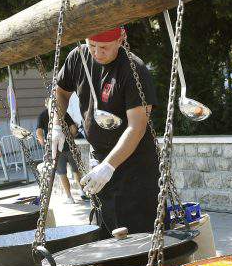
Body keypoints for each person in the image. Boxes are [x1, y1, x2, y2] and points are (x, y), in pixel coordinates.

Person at [53, 27, 159, 235]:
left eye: (104, 47)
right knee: (106, 227)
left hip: (135, 164)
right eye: (92, 45)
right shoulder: (78, 57)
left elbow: (136, 126)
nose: (97, 52)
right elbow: (60, 92)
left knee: (140, 233)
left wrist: (109, 167)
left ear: (121, 40)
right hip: (98, 157)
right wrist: (56, 124)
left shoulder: (134, 69)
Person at [36, 97, 86, 204]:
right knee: (76, 170)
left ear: (46, 104)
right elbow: (73, 128)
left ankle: (69, 197)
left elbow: (39, 132)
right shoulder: (63, 113)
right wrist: (70, 138)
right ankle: (83, 192)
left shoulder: (43, 115)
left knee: (62, 173)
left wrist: (44, 143)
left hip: (56, 149)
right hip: (69, 147)